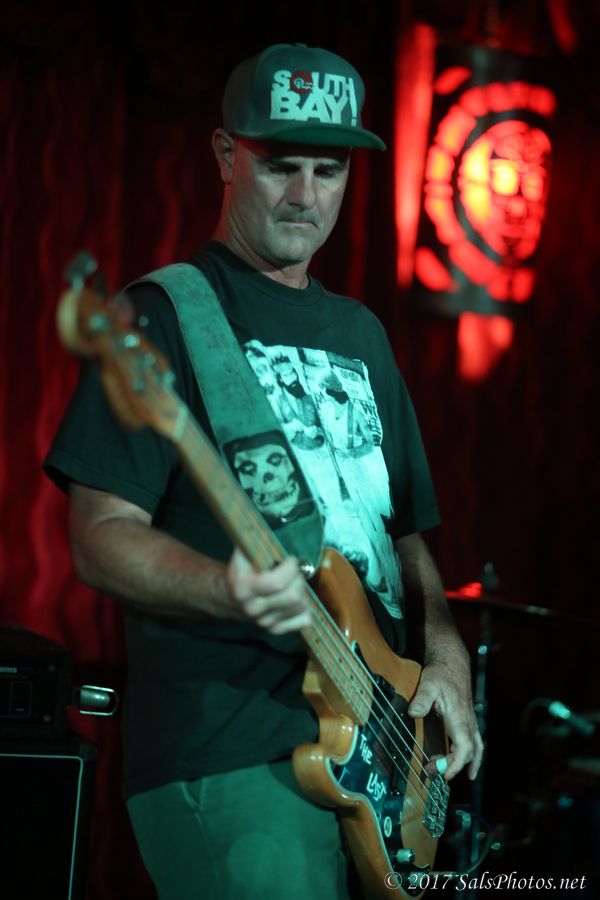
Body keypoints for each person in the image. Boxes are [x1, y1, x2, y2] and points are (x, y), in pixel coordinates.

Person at [45, 43, 483, 900]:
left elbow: (406, 540)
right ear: (224, 155)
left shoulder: (362, 334)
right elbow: (99, 538)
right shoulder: (167, 316)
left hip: (380, 756)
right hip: (233, 753)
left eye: (329, 170)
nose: (305, 195)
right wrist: (226, 589)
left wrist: (445, 658)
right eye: (281, 165)